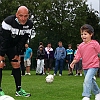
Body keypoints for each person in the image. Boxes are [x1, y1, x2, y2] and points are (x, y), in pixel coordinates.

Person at [0, 6, 33, 97]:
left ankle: (19, 89)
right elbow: (4, 40)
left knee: (16, 64)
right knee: (0, 63)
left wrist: (18, 53)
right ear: (16, 15)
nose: (23, 18)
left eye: (25, 16)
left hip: (12, 46)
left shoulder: (29, 25)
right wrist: (2, 55)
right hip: (2, 43)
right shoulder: (8, 21)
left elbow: (23, 40)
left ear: (28, 16)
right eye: (21, 16)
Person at [70, 24, 100, 100]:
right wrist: (73, 62)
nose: (83, 36)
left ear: (91, 34)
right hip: (85, 66)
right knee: (91, 80)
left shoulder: (95, 44)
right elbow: (78, 56)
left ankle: (86, 96)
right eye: (82, 34)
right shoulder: (81, 46)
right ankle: (98, 93)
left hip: (94, 65)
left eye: (85, 34)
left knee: (87, 79)